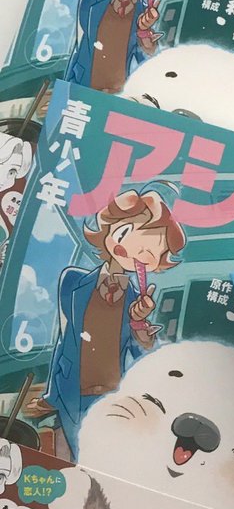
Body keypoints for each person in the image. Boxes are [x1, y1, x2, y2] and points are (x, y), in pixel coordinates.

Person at [28, 190, 185, 458]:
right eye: (124, 233)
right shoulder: (72, 281)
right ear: (108, 229)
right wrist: (51, 396)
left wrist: (139, 324)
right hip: (70, 391)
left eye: (147, 252)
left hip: (111, 398)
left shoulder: (137, 302)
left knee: (97, 459)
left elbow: (143, 356)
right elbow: (64, 340)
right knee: (67, 457)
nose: (130, 250)